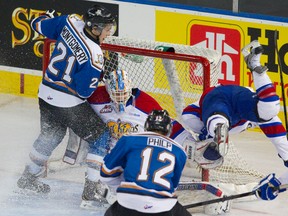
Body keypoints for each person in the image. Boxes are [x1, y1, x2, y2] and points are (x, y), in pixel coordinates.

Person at [17, 4, 116, 199]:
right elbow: (84, 92)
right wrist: (101, 76)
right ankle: (91, 190)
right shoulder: (94, 55)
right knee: (101, 136)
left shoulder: (70, 21)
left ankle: (28, 177)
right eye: (106, 29)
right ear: (95, 28)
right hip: (67, 103)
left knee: (51, 135)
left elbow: (38, 24)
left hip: (45, 93)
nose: (109, 32)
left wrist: (46, 15)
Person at [170, 40, 288, 200]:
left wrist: (276, 184)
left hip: (229, 115)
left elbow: (279, 177)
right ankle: (212, 134)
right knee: (196, 120)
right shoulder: (263, 115)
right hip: (222, 101)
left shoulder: (266, 118)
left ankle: (207, 139)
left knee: (202, 124)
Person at [67, 69, 163, 209]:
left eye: (123, 94)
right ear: (107, 89)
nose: (120, 98)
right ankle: (91, 187)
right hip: (106, 157)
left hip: (133, 158)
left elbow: (164, 130)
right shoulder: (97, 96)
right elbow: (75, 107)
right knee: (99, 141)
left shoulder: (147, 104)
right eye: (116, 94)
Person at [100, 109, 191, 216]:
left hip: (128, 204)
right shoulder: (179, 151)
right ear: (169, 129)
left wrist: (123, 186)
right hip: (162, 208)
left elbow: (105, 174)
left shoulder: (129, 139)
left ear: (147, 125)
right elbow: (173, 187)